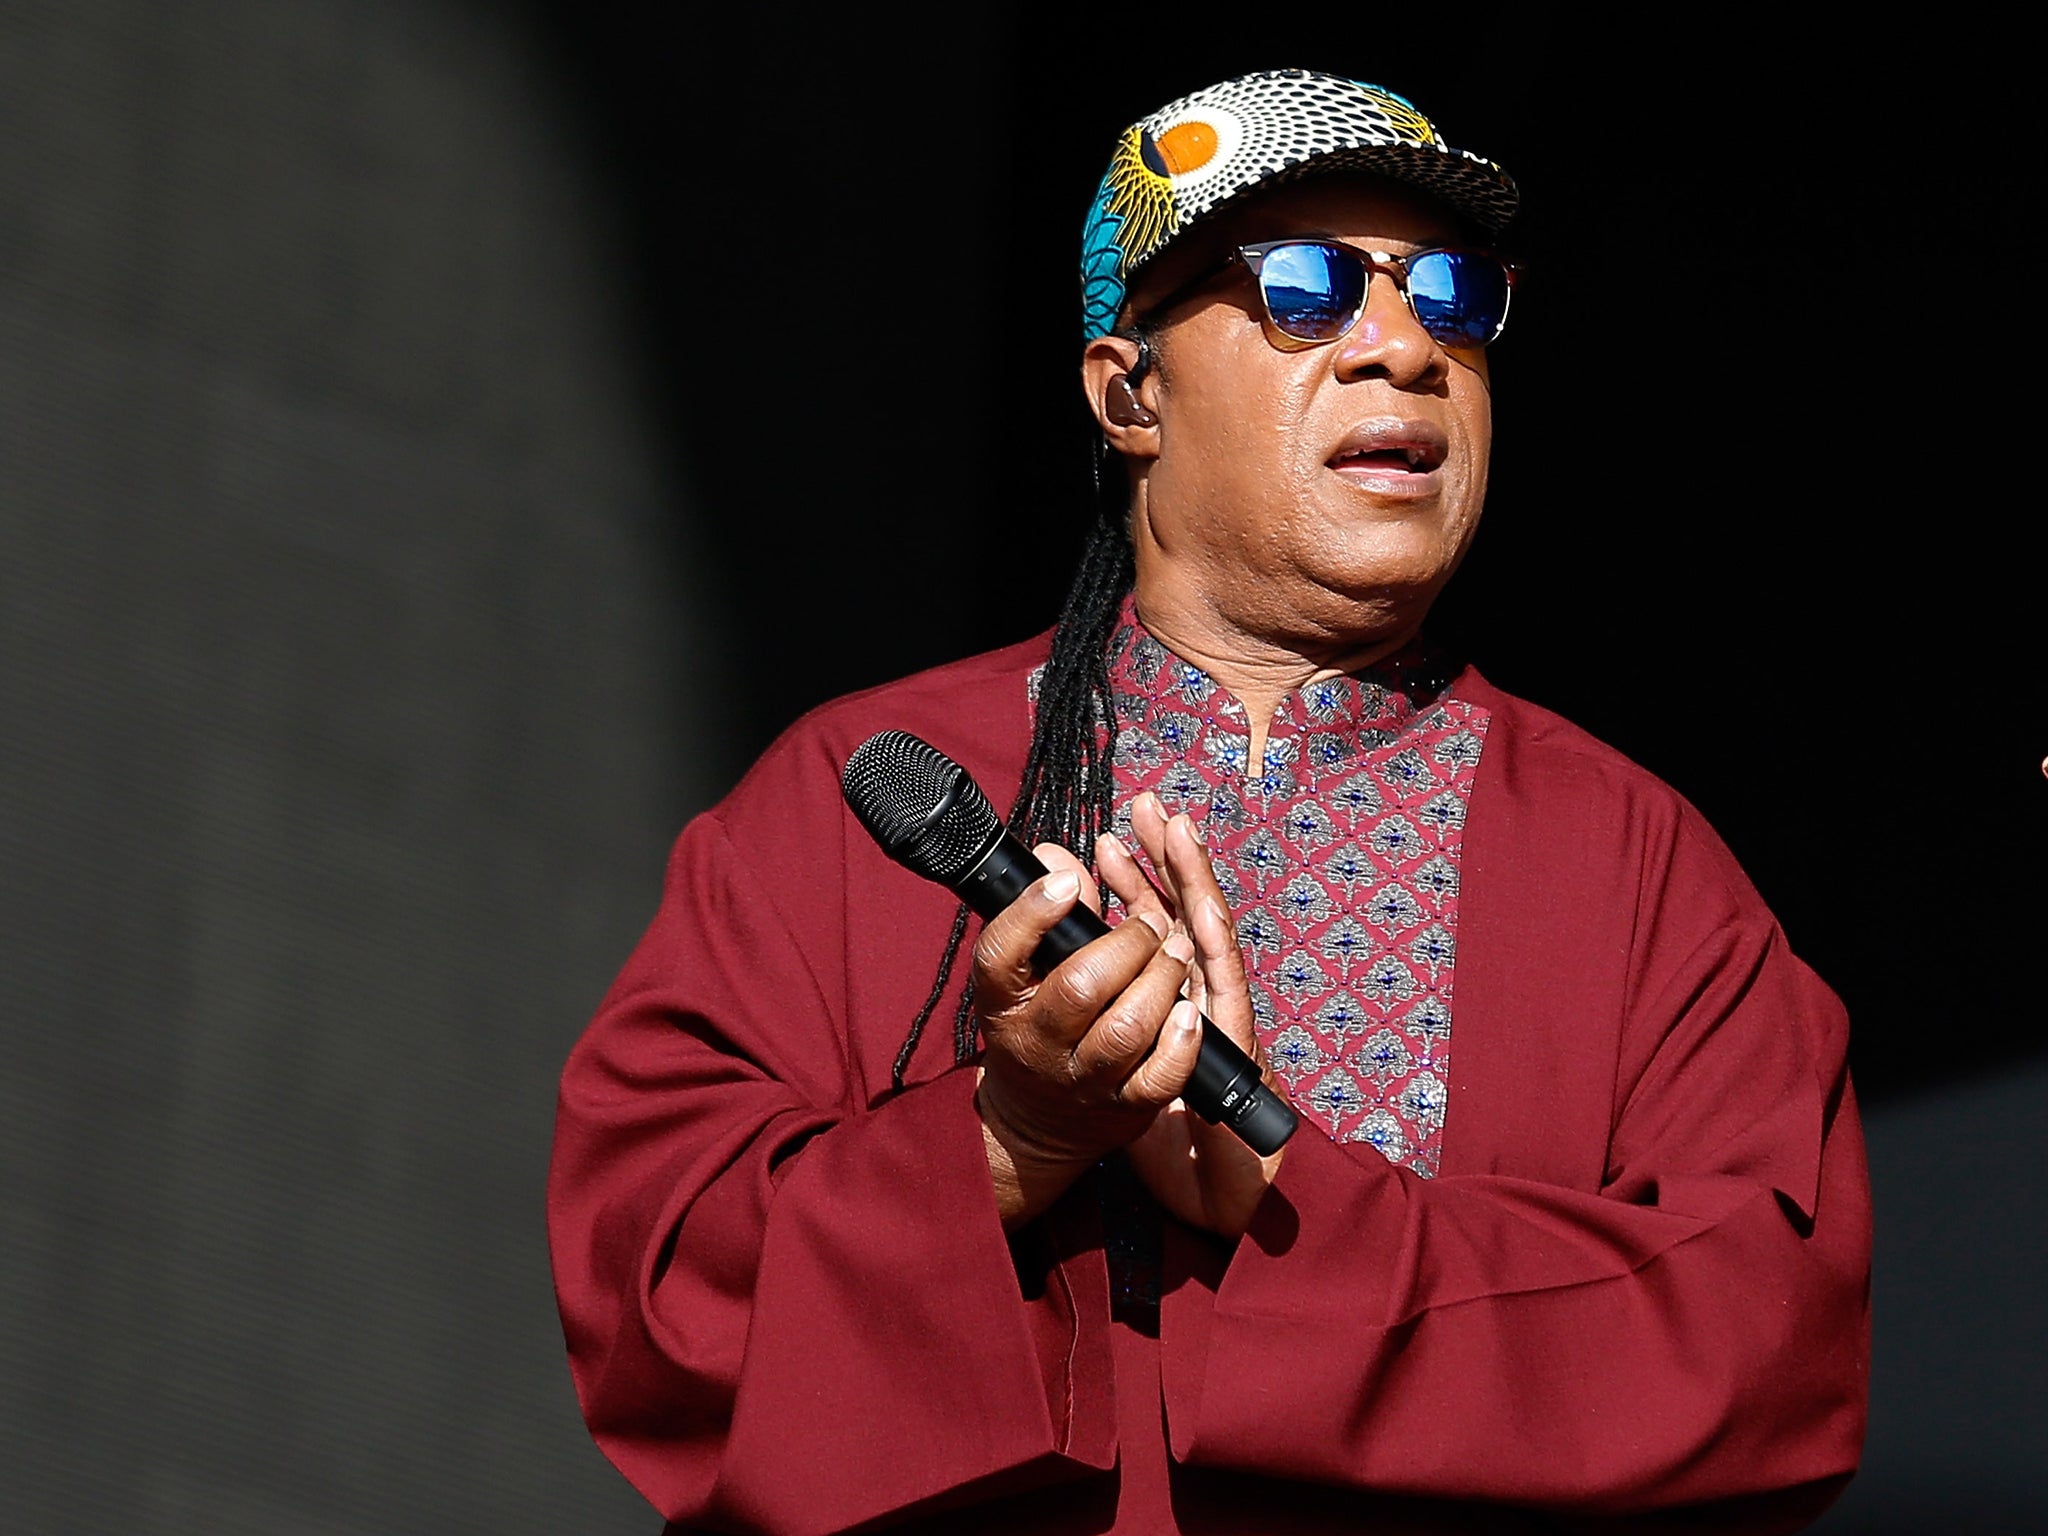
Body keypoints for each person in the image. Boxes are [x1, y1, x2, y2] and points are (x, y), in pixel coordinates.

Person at [548, 68, 1870, 1535]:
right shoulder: (856, 788)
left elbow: (1769, 1351)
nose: (1404, 349)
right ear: (1130, 396)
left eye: (1452, 295)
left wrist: (1298, 1208)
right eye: (1304, 287)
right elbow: (653, 1286)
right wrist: (1004, 1141)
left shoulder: (1636, 864)